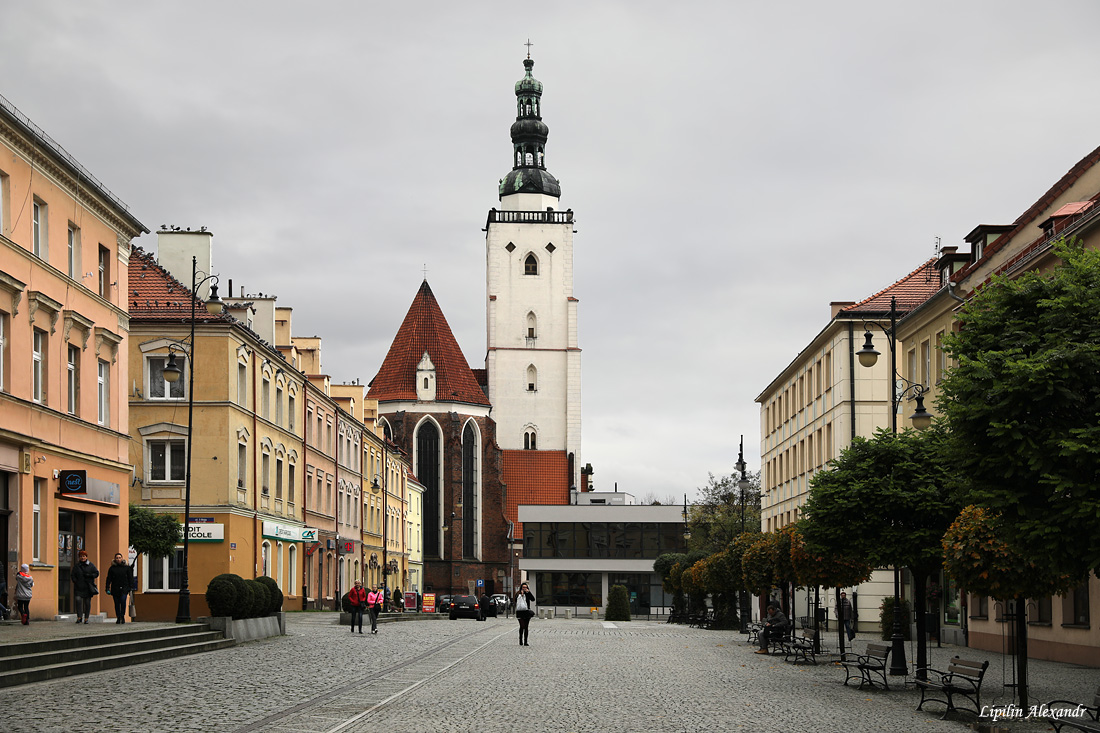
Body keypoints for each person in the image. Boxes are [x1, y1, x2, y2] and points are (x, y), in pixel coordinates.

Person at [71, 550, 99, 624]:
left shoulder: (91, 565)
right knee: (78, 601)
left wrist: (90, 576)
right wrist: (75, 581)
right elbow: (73, 575)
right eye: (81, 556)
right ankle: (79, 617)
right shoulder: (77, 566)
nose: (82, 558)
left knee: (87, 603)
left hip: (88, 587)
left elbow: (96, 573)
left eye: (84, 556)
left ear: (86, 557)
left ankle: (86, 618)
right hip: (79, 587)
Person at [105, 553, 132, 624]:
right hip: (115, 588)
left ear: (122, 558)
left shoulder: (127, 568)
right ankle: (118, 617)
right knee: (116, 603)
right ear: (115, 559)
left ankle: (122, 616)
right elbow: (109, 579)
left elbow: (130, 578)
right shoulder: (112, 568)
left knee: (123, 601)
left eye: (119, 557)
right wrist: (107, 587)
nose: (118, 559)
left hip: (124, 588)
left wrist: (130, 587)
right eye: (117, 558)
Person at [513, 581, 535, 646]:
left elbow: (533, 599)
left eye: (525, 587)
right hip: (520, 612)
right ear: (521, 588)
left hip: (526, 612)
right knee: (522, 626)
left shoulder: (528, 593)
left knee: (526, 627)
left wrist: (528, 592)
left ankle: (525, 641)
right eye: (523, 587)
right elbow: (515, 601)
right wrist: (521, 595)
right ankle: (520, 640)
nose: (524, 588)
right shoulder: (518, 593)